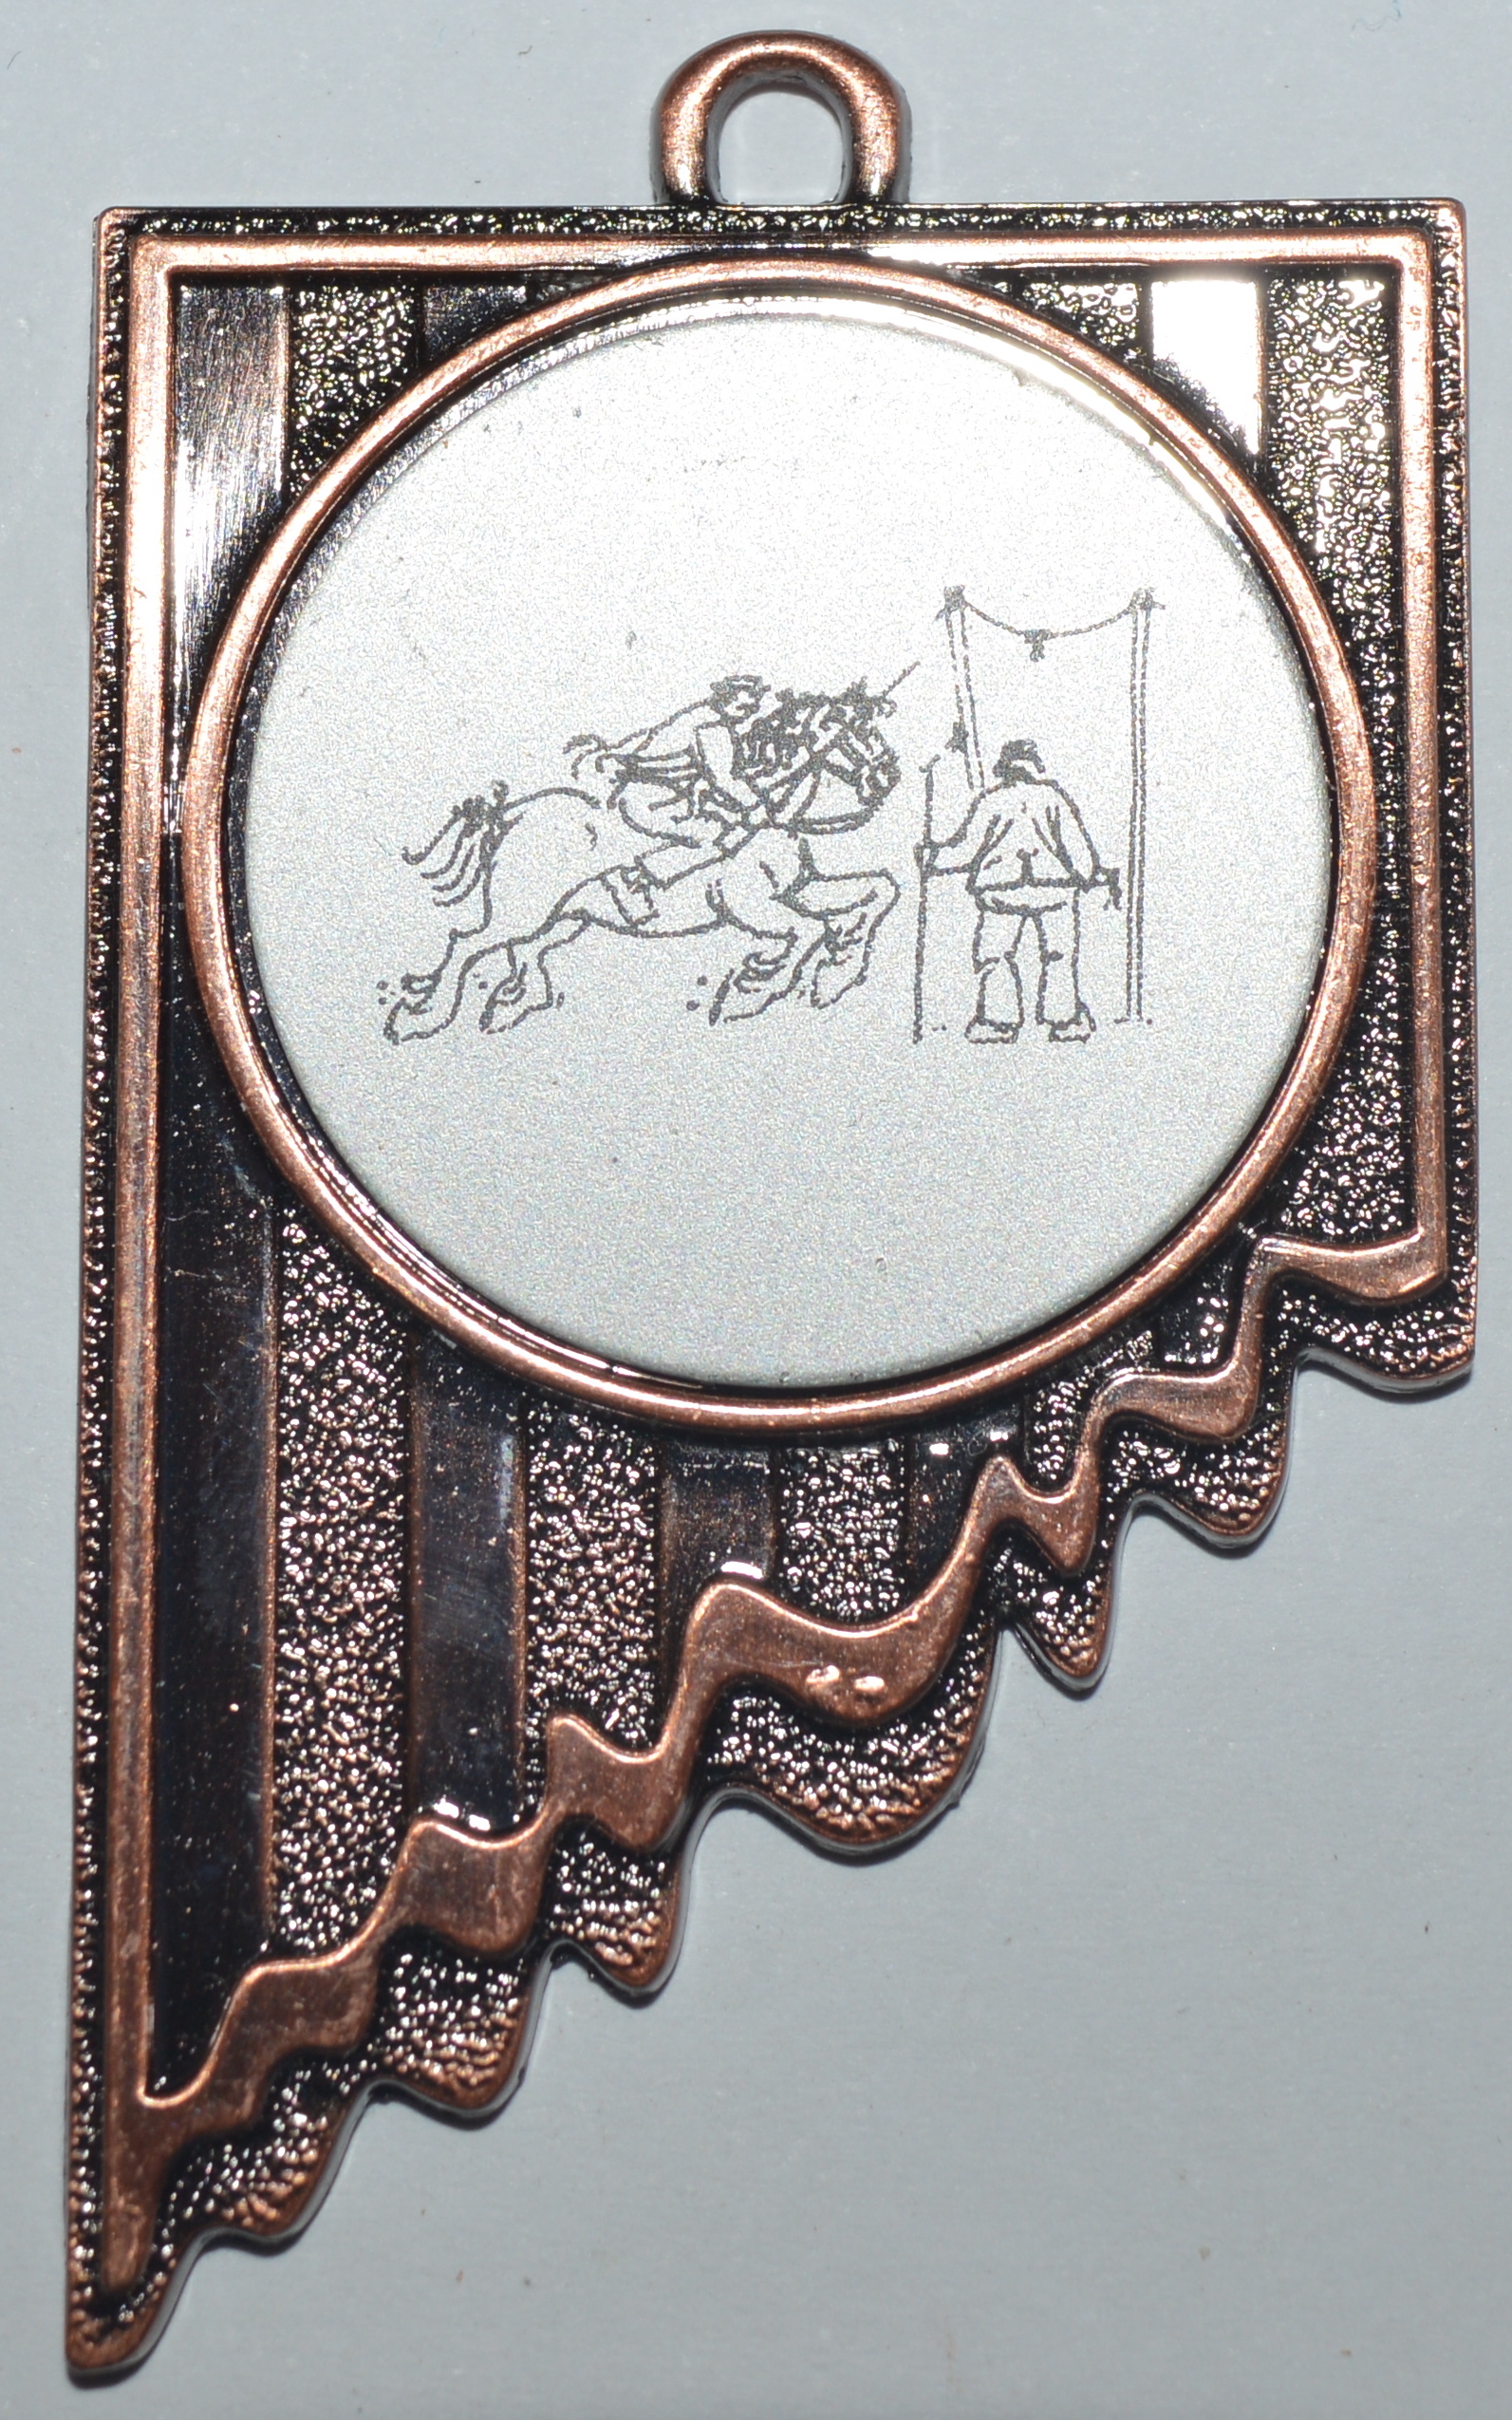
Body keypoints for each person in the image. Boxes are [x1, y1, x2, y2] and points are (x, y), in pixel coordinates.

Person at [922, 738, 1118, 1042]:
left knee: (995, 955)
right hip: (1053, 889)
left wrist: (932, 858)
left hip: (1002, 890)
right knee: (1058, 954)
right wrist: (1090, 874)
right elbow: (1076, 847)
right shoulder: (1052, 798)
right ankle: (1064, 1020)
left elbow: (967, 849)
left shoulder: (992, 801)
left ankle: (997, 1021)